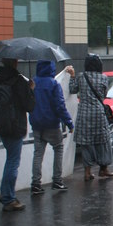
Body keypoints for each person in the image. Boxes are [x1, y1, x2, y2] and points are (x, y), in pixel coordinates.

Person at [0, 58, 35, 212]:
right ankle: (8, 198)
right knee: (12, 162)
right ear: (15, 63)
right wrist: (31, 89)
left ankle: (8, 195)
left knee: (10, 159)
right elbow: (29, 106)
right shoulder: (19, 81)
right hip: (15, 127)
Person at [29, 60, 74, 195]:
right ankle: (57, 181)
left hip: (36, 123)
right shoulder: (54, 84)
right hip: (51, 124)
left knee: (38, 153)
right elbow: (60, 106)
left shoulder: (33, 82)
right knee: (58, 148)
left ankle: (36, 183)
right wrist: (69, 123)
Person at [68, 54, 113, 181]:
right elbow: (104, 95)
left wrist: (72, 76)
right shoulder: (104, 78)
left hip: (83, 115)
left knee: (86, 143)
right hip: (99, 115)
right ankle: (103, 169)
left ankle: (87, 172)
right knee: (103, 141)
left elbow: (72, 90)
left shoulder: (81, 77)